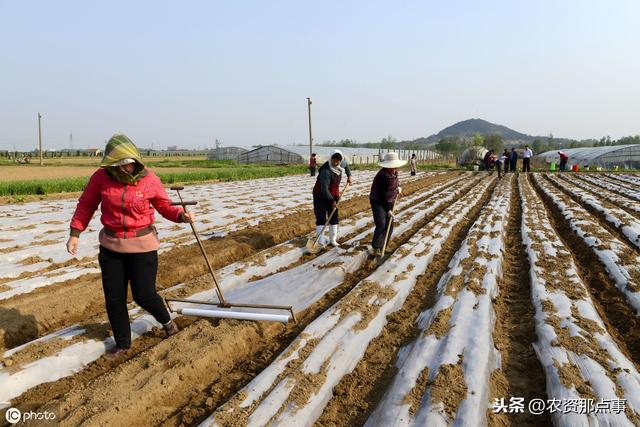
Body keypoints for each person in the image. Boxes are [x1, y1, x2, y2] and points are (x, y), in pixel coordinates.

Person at [66, 134, 194, 359]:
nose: (124, 167)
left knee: (144, 295)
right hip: (111, 247)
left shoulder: (149, 179)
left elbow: (164, 206)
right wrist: (75, 233)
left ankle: (166, 322)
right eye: (119, 164)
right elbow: (86, 204)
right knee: (114, 298)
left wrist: (181, 216)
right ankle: (123, 342)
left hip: (142, 246)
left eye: (128, 162)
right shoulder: (101, 178)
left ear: (135, 160)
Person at [369, 152, 406, 256]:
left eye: (396, 166)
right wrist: (388, 210)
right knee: (381, 224)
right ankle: (376, 248)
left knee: (390, 225)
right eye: (394, 166)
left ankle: (383, 246)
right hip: (378, 201)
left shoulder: (394, 172)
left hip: (389, 200)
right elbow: (382, 195)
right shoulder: (383, 176)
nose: (396, 168)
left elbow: (396, 182)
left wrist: (398, 188)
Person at [312, 150, 347, 247]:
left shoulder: (339, 168)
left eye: (338, 161)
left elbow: (346, 165)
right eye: (334, 160)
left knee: (334, 217)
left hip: (333, 195)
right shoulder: (326, 171)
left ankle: (333, 240)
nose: (336, 163)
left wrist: (349, 175)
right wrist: (331, 201)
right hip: (321, 196)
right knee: (321, 218)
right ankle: (320, 241)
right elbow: (324, 189)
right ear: (330, 159)